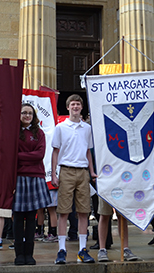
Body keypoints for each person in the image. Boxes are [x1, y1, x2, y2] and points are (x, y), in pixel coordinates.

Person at [50, 94, 97, 264]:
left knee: (84, 211)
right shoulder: (61, 127)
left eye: (78, 104)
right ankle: (62, 249)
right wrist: (53, 173)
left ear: (81, 108)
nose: (75, 107)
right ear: (68, 107)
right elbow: (55, 151)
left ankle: (82, 249)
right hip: (67, 170)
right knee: (64, 211)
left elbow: (88, 151)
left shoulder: (87, 128)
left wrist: (91, 171)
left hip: (82, 171)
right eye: (73, 104)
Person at [12, 103, 53, 265]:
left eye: (30, 113)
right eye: (23, 113)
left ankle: (29, 254)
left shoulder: (39, 133)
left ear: (34, 116)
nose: (27, 116)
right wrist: (28, 155)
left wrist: (20, 155)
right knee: (17, 218)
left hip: (35, 177)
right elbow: (10, 155)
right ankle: (18, 254)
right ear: (19, 115)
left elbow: (40, 154)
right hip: (18, 178)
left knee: (31, 218)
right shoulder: (13, 133)